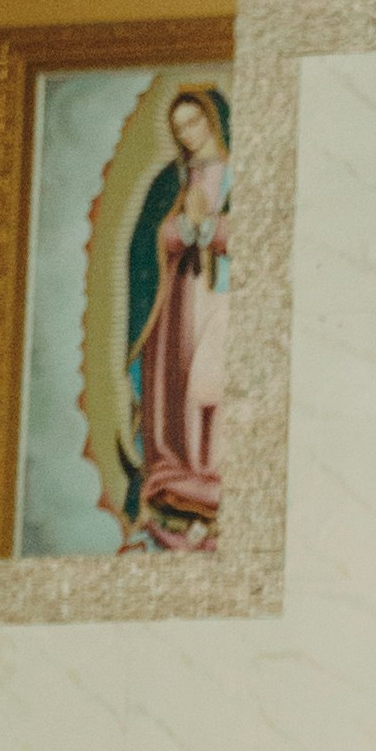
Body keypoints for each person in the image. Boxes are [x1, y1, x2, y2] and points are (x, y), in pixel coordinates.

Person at [121, 80, 232, 543]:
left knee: (214, 382)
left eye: (194, 121)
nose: (188, 132)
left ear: (213, 118)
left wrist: (212, 226)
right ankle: (180, 472)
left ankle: (216, 471)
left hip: (223, 293)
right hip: (179, 297)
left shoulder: (242, 171)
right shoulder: (171, 179)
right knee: (181, 384)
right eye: (179, 126)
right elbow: (149, 240)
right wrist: (184, 226)